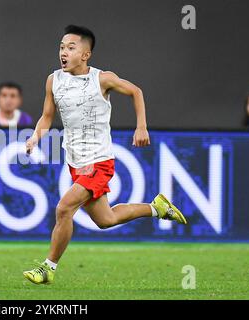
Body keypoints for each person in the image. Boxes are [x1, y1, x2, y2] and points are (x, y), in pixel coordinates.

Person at [23, 25, 188, 285]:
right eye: (61, 47)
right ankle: (157, 209)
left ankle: (47, 268)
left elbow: (136, 91)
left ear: (86, 54)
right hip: (75, 161)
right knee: (105, 219)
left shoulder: (102, 79)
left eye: (71, 47)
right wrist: (35, 136)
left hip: (98, 161)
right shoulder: (53, 80)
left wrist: (141, 126)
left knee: (64, 209)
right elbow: (46, 116)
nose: (63, 53)